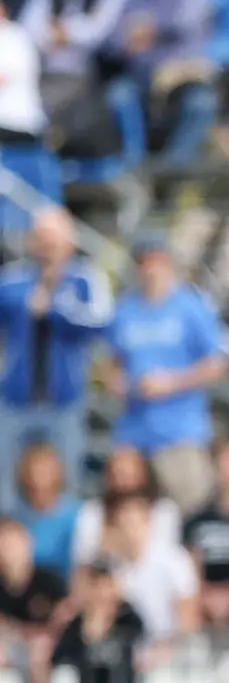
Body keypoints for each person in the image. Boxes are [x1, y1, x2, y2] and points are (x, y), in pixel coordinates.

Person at [109, 233, 224, 516]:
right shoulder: (125, 309)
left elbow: (217, 365)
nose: (149, 268)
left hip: (180, 432)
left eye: (155, 261)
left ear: (168, 262)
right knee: (132, 513)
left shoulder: (190, 306)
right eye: (143, 262)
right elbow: (111, 362)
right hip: (134, 432)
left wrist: (172, 382)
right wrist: (116, 381)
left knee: (190, 513)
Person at [1, 207, 110, 487]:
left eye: (54, 240)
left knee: (67, 483)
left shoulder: (84, 280)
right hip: (15, 399)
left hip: (65, 401)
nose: (47, 248)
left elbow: (98, 324)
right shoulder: (13, 280)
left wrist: (55, 309)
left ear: (69, 243)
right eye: (42, 239)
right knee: (7, 485)